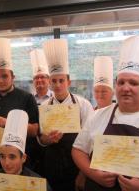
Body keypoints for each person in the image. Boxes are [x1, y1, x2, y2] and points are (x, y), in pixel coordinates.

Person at [72, 35, 139, 191]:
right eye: (121, 82)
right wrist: (93, 173)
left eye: (133, 83)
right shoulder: (97, 116)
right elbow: (78, 150)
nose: (125, 88)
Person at [37, 39, 94, 191]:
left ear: (68, 82)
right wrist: (47, 139)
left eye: (61, 80)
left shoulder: (83, 105)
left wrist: (84, 173)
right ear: (49, 82)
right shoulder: (43, 107)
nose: (57, 85)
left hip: (76, 166)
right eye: (54, 81)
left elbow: (91, 141)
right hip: (51, 165)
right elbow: (40, 138)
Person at [0, 38, 39, 171]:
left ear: (13, 77)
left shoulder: (26, 98)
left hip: (21, 164)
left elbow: (34, 130)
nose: (0, 80)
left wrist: (9, 122)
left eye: (4, 76)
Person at [0, 109, 51, 191]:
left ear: (23, 158)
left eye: (12, 157)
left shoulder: (39, 185)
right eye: (2, 156)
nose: (6, 163)